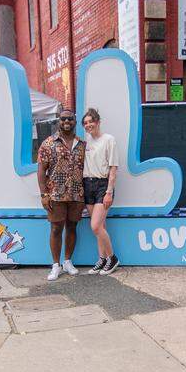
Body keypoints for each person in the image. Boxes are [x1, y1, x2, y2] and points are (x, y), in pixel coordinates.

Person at [37, 108, 86, 281]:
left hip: (76, 194)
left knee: (72, 227)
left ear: (75, 121)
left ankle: (67, 261)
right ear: (59, 120)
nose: (67, 122)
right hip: (55, 195)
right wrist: (44, 194)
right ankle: (56, 265)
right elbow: (42, 171)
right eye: (63, 119)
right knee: (56, 228)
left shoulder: (82, 144)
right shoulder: (48, 143)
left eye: (70, 119)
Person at [81, 108, 120, 274]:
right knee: (101, 226)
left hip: (102, 185)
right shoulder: (85, 142)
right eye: (86, 123)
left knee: (95, 226)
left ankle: (112, 258)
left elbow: (113, 168)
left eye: (91, 121)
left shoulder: (108, 140)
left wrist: (109, 192)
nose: (88, 125)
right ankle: (102, 259)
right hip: (87, 184)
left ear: (98, 122)